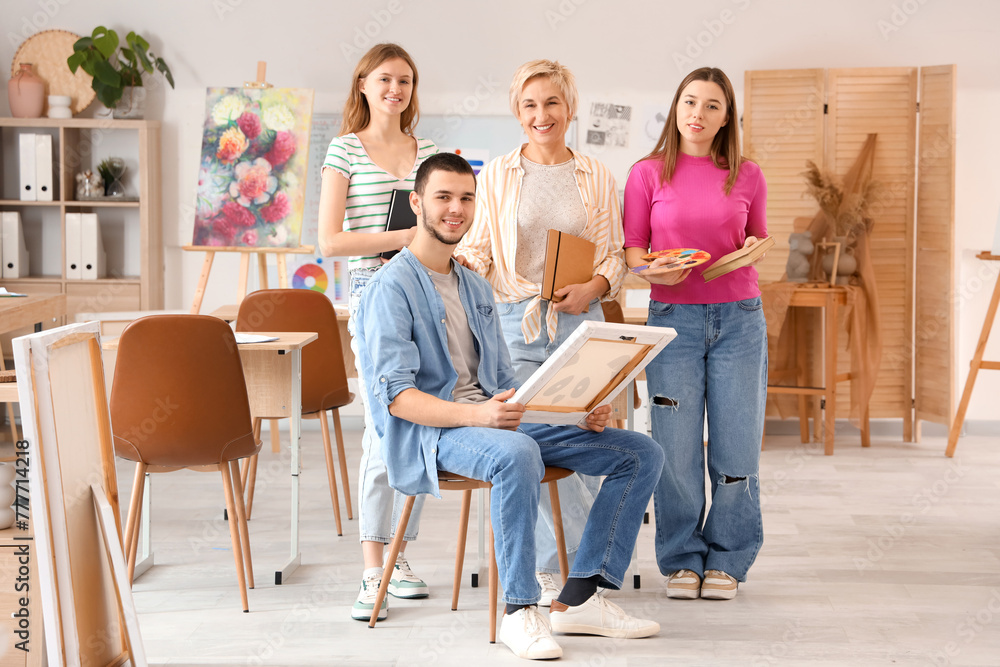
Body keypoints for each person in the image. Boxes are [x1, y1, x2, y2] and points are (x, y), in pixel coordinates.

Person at [356, 153, 662, 660]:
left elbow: (504, 386)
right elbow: (398, 399)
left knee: (638, 453)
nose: (456, 209)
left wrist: (574, 412)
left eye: (465, 198)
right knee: (515, 453)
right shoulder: (390, 288)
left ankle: (582, 598)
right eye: (443, 198)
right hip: (437, 432)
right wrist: (479, 415)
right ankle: (520, 611)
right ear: (416, 203)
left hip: (494, 423)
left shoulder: (474, 285)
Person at [455, 59, 626, 605]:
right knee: (534, 440)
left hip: (583, 325)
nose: (541, 114)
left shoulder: (597, 174)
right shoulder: (498, 174)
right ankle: (571, 581)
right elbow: (477, 252)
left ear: (570, 108)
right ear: (517, 112)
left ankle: (570, 580)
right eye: (529, 105)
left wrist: (595, 287)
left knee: (589, 440)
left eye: (551, 102)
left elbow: (615, 255)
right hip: (516, 324)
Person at [623, 67, 768, 601]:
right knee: (675, 446)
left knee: (736, 445)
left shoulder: (747, 174)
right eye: (689, 102)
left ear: (726, 116)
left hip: (739, 321)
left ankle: (728, 559)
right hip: (672, 320)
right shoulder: (645, 173)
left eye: (711, 105)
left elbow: (758, 237)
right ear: (675, 107)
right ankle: (682, 558)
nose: (697, 114)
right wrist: (652, 270)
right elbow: (634, 248)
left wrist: (754, 249)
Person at [317, 42, 438, 621]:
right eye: (386, 79)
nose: (397, 90)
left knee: (421, 427)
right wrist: (406, 239)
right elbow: (331, 243)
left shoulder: (429, 151)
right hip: (373, 295)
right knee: (380, 430)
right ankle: (371, 570)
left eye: (406, 81)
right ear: (363, 83)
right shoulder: (344, 150)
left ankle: (400, 557)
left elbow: (446, 222)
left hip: (428, 293)